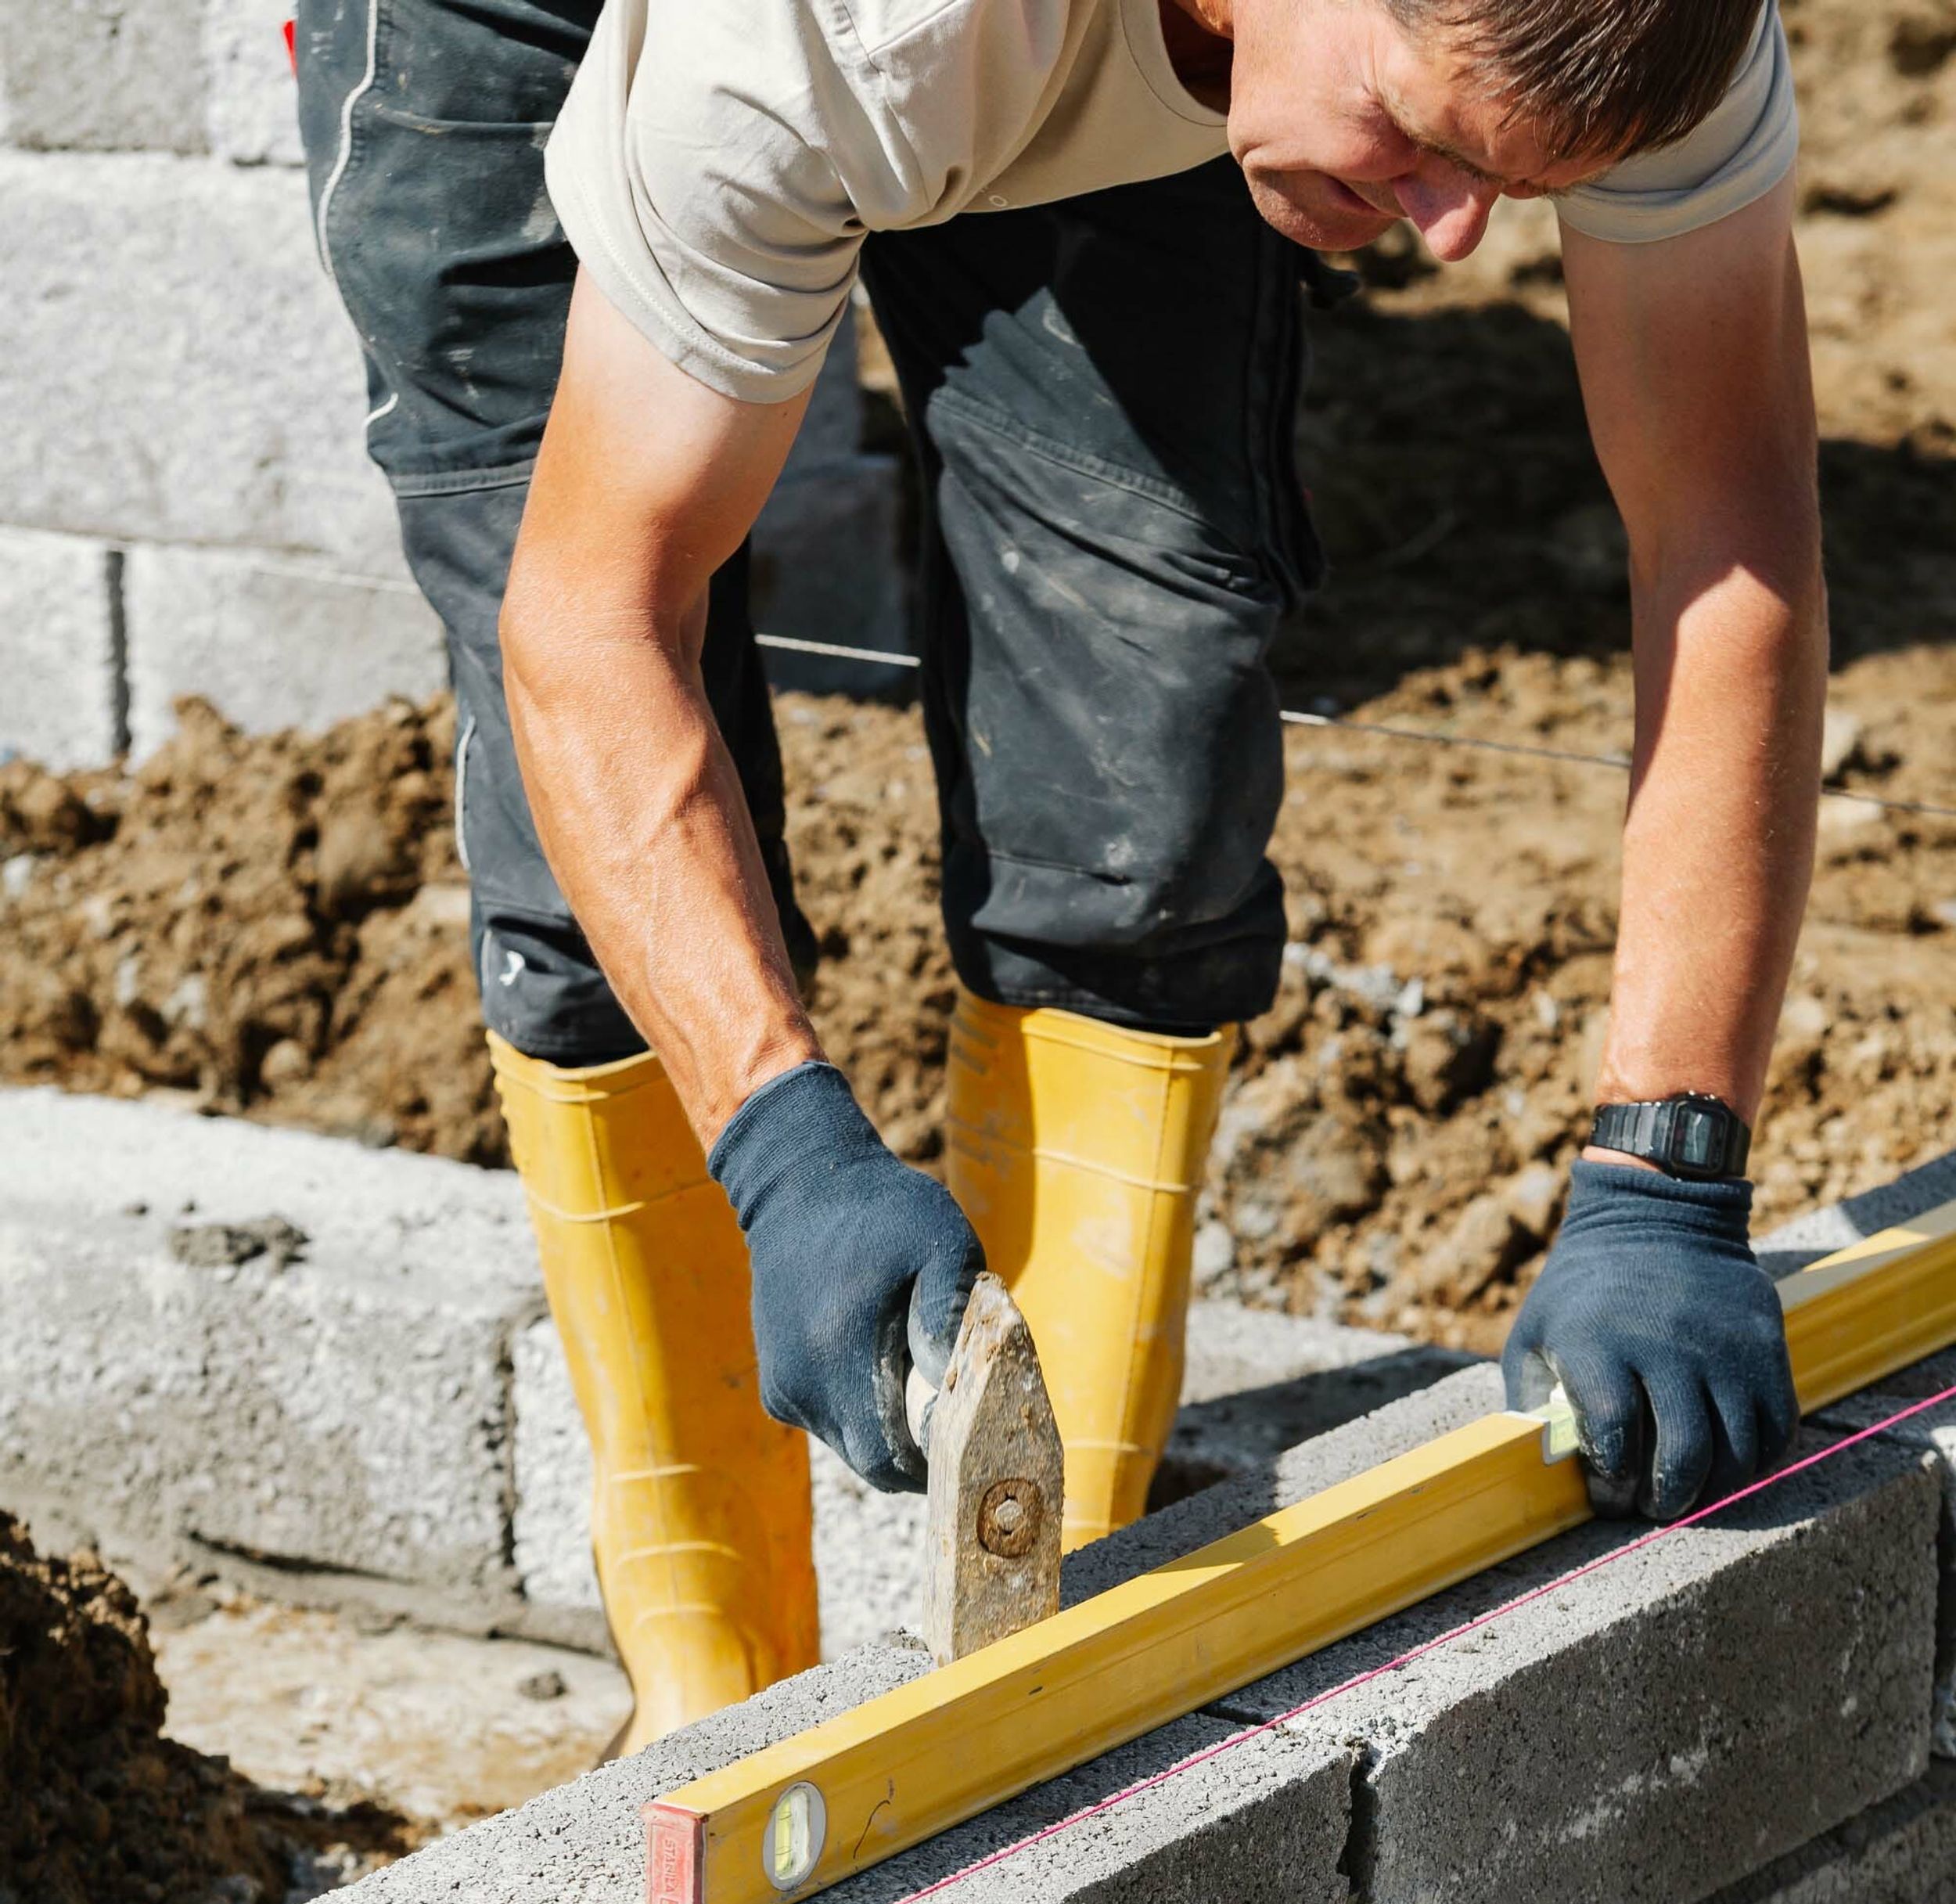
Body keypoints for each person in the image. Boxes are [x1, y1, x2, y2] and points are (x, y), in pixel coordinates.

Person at [296, 0, 1818, 1751]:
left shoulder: (1629, 27)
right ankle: (708, 1684)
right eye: (1423, 139)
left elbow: (1722, 518)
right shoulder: (828, 43)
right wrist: (780, 1144)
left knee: (1137, 761)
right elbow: (589, 617)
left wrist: (1669, 1165)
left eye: (1511, 183)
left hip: (1112, 49)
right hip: (550, 28)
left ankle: (1050, 1614)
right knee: (584, 851)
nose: (1456, 230)